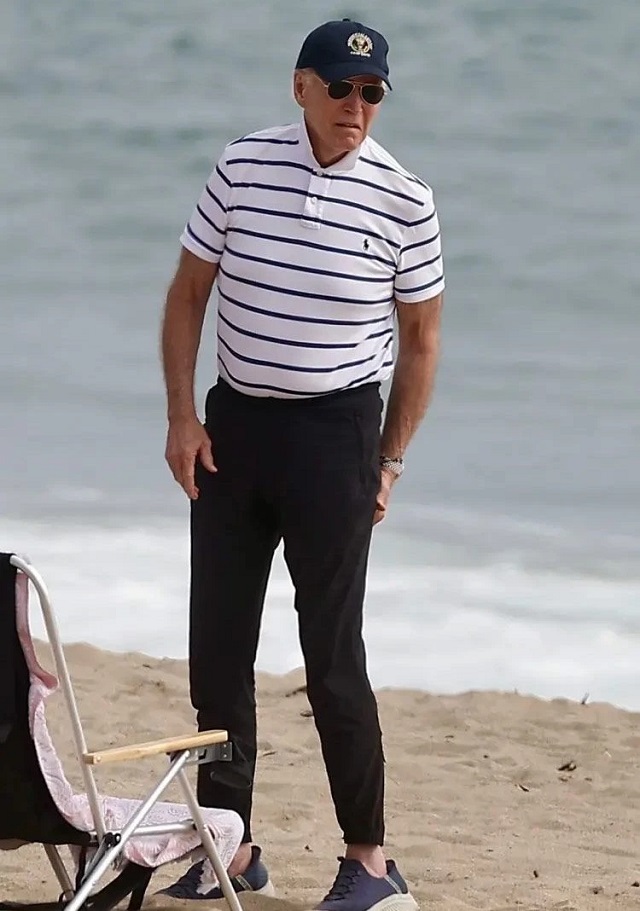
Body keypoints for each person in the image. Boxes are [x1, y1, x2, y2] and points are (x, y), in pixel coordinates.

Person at [159, 17, 444, 911]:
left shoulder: (406, 200)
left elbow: (422, 341)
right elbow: (188, 293)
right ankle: (231, 846)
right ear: (301, 87)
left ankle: (370, 861)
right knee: (217, 647)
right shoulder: (242, 164)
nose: (356, 105)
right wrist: (181, 416)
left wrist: (390, 459)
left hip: (336, 436)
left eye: (372, 92)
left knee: (332, 655)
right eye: (341, 87)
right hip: (234, 429)